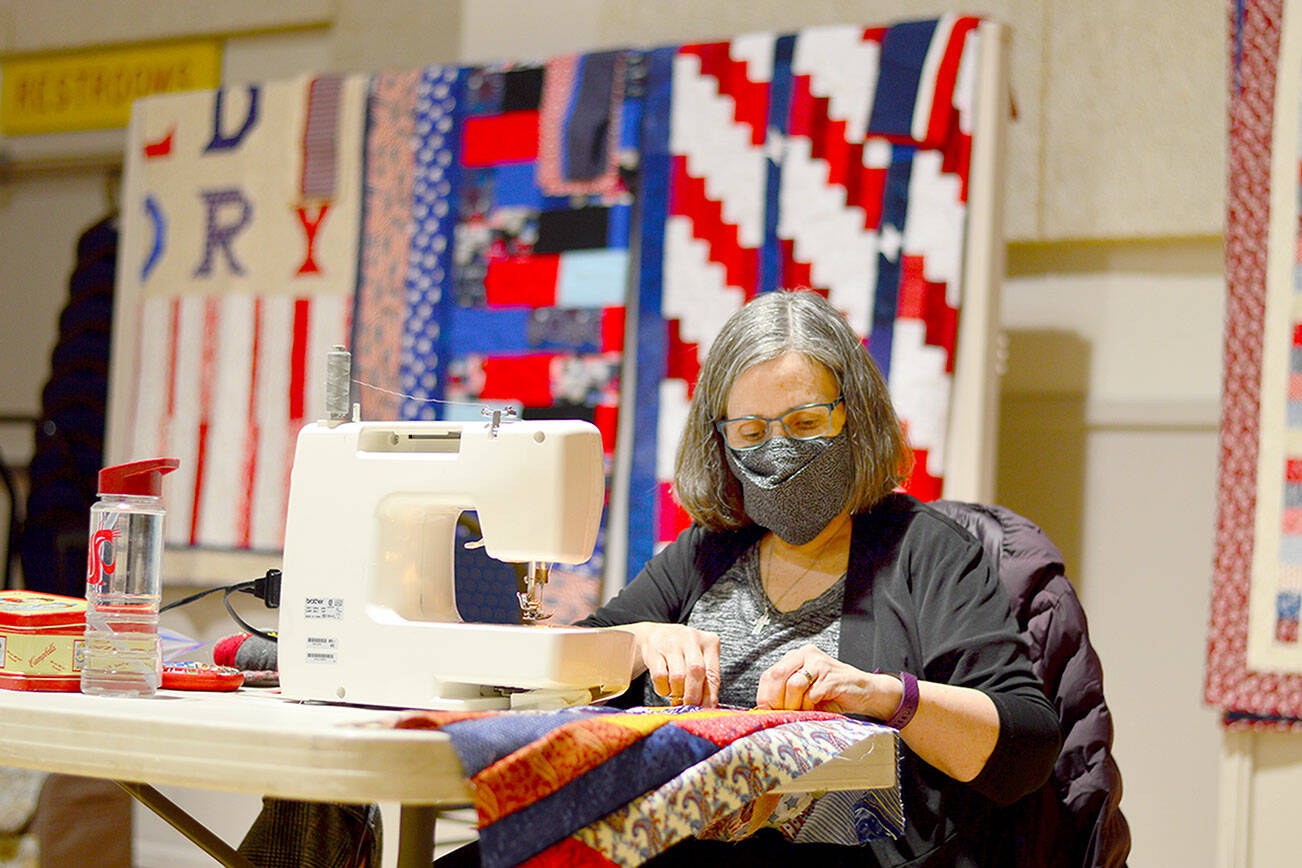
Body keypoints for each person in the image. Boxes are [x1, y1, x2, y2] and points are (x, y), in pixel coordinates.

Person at [577, 289, 1061, 866]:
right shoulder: (709, 551)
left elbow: (1026, 749)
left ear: (853, 416)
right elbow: (571, 663)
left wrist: (883, 696)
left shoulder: (926, 551)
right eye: (752, 435)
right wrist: (644, 639)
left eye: (806, 423)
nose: (779, 453)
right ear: (719, 438)